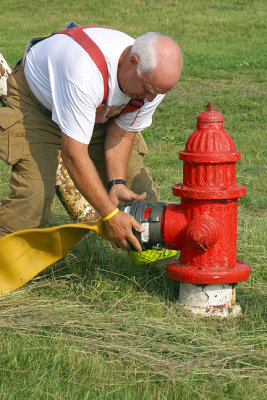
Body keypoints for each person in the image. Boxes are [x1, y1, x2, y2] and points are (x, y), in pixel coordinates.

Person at [0, 24, 183, 251]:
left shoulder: (151, 82)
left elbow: (122, 134)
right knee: (33, 199)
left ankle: (154, 267)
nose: (150, 98)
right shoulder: (84, 72)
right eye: (147, 89)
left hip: (98, 112)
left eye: (158, 92)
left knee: (140, 190)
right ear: (132, 61)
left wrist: (117, 184)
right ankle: (5, 268)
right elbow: (74, 155)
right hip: (38, 109)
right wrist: (110, 215)